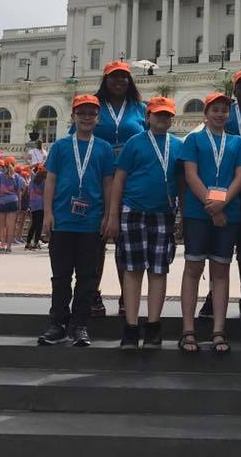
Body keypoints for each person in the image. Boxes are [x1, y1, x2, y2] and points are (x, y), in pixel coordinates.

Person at [103, 96, 184, 349]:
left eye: (167, 115)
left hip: (163, 213)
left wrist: (182, 215)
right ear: (147, 117)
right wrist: (113, 215)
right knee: (132, 270)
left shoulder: (178, 145)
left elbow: (182, 182)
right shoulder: (134, 143)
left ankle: (153, 326)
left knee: (159, 270)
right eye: (158, 114)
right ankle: (130, 326)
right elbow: (119, 179)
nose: (163, 118)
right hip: (133, 211)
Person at [38, 94, 116, 347]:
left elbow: (108, 184)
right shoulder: (60, 147)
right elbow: (51, 181)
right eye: (81, 113)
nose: (86, 117)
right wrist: (47, 213)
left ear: (98, 118)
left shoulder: (104, 148)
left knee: (87, 277)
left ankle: (80, 325)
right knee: (60, 276)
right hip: (62, 220)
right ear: (72, 117)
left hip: (91, 222)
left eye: (91, 114)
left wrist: (108, 215)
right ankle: (58, 324)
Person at [177, 93, 241, 354]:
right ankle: (188, 329)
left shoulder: (237, 142)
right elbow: (190, 175)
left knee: (221, 271)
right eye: (215, 110)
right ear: (206, 113)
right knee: (193, 268)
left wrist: (222, 203)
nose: (220, 114)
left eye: (224, 110)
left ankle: (219, 330)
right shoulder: (194, 140)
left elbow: (240, 176)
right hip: (198, 213)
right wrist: (212, 206)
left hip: (228, 213)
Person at [199, 69, 241, 327]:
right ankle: (213, 293)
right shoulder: (225, 114)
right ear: (234, 91)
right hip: (223, 188)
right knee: (218, 245)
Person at [90, 61, 147, 317]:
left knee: (126, 241)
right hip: (96, 178)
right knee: (96, 240)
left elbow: (150, 141)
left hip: (131, 181)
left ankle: (127, 295)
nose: (119, 81)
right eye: (114, 77)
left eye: (124, 77)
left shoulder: (140, 108)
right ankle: (92, 292)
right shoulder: (94, 107)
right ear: (105, 80)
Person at [0, 158, 25, 253]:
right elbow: (19, 193)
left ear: (4, 165)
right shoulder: (17, 177)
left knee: (2, 226)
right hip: (13, 201)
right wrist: (19, 205)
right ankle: (9, 247)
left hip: (2, 202)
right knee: (11, 226)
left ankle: (2, 245)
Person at [26, 167, 47, 249]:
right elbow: (45, 193)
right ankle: (36, 242)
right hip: (41, 204)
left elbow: (29, 168)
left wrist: (35, 165)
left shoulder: (33, 178)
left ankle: (28, 242)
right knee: (39, 224)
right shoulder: (44, 181)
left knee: (33, 224)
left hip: (33, 204)